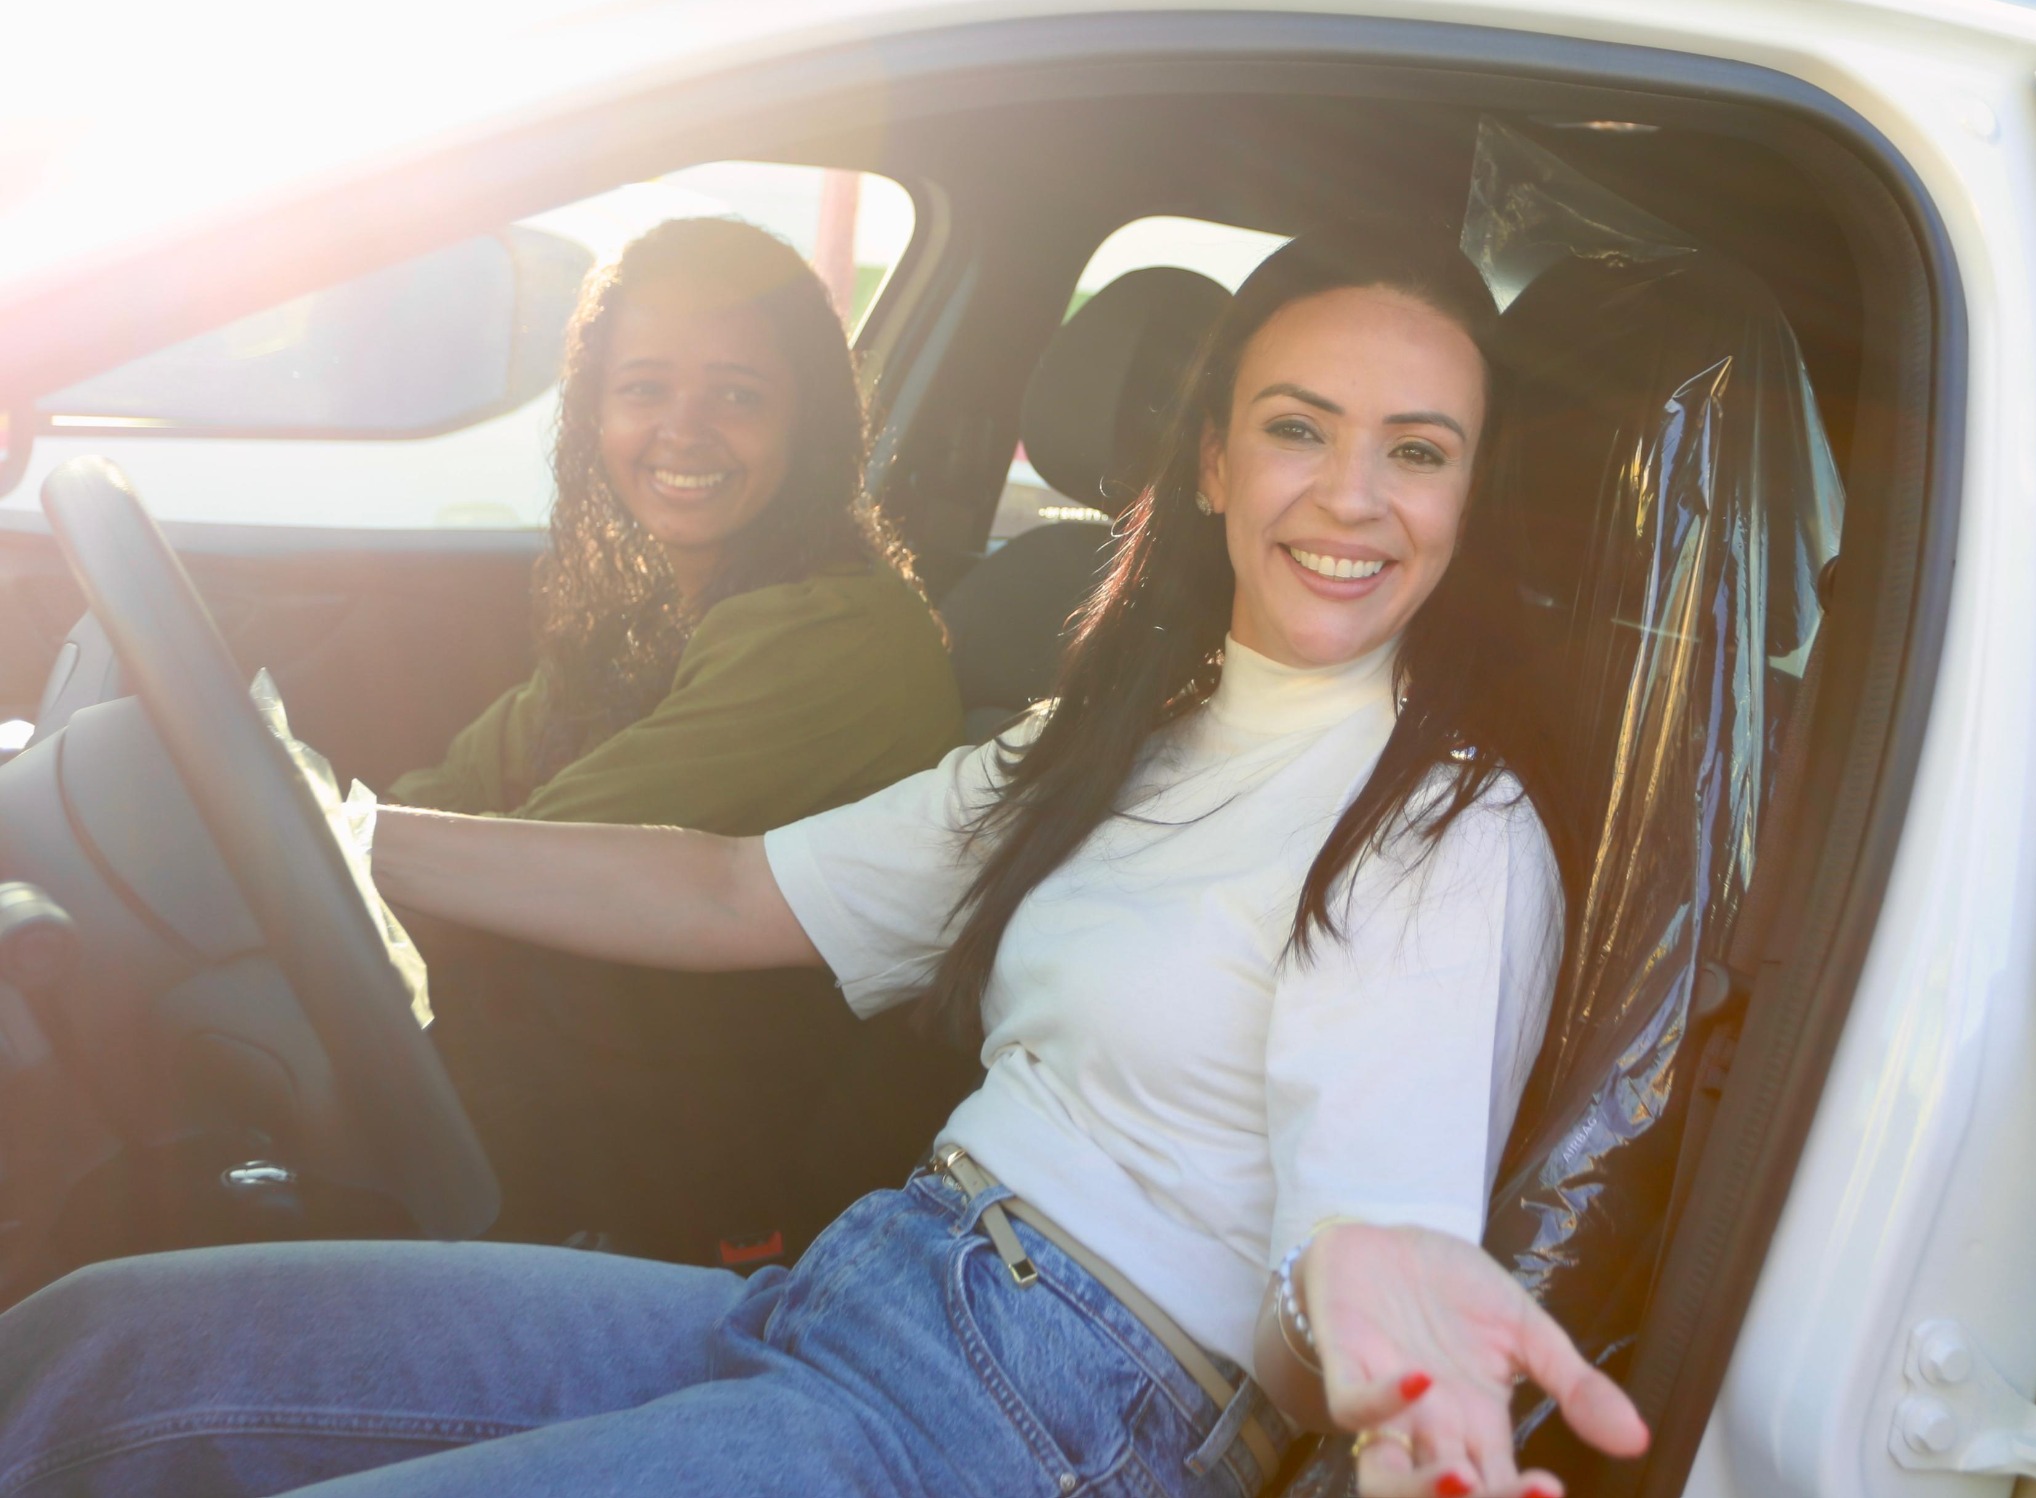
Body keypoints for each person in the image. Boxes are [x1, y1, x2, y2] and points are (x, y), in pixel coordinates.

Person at [0, 229, 1649, 1498]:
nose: (1351, 495)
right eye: (1301, 428)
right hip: (861, 1285)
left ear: (1469, 494)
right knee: (100, 1355)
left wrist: (1374, 1291)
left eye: (1417, 450)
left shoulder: (1447, 825)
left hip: (1048, 1411)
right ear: (1212, 460)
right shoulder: (1122, 730)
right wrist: (347, 839)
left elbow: (1381, 1217)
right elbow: (731, 890)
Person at [393, 215, 967, 1256]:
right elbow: (461, 781)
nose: (682, 430)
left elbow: (536, 861)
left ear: (810, 424)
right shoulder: (648, 609)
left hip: (702, 1203)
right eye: (644, 387)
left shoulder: (838, 632)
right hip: (574, 1119)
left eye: (738, 395)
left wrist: (331, 841)